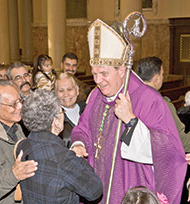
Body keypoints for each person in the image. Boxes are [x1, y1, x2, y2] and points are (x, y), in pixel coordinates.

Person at [71, 19, 186, 204]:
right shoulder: (95, 96)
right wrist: (79, 144)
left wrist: (131, 121)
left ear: (122, 70)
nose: (98, 80)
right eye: (94, 73)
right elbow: (83, 128)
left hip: (131, 190)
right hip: (98, 186)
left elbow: (170, 152)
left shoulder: (149, 100)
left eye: (104, 74)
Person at [15, 89, 103, 203]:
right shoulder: (64, 160)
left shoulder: (22, 146)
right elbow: (95, 191)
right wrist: (77, 160)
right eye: (62, 111)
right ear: (55, 121)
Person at [137, 56, 190, 152]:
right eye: (162, 74)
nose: (163, 78)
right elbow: (181, 141)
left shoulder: (129, 99)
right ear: (156, 79)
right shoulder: (162, 105)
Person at [55, 72, 86, 148]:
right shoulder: (53, 118)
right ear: (55, 93)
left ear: (77, 90)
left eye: (69, 89)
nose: (66, 94)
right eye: (61, 91)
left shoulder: (88, 109)